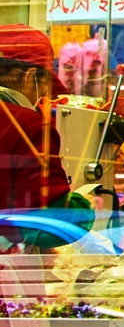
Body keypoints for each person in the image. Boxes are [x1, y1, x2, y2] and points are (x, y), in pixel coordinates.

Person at [0, 25, 93, 247]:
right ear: (30, 77)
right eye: (44, 86)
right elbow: (49, 228)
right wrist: (83, 205)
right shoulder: (27, 126)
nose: (44, 96)